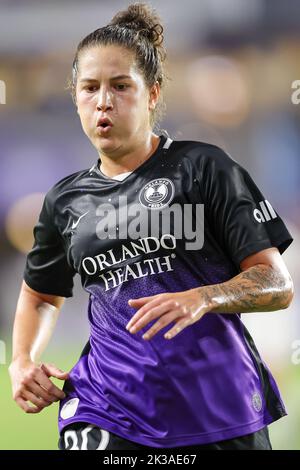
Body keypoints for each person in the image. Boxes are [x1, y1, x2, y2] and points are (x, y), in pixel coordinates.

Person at [9, 2, 294, 451]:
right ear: (76, 98)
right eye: (89, 88)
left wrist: (204, 297)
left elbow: (276, 283)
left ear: (153, 93)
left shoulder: (205, 168)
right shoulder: (65, 201)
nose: (103, 100)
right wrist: (21, 361)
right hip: (105, 408)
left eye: (121, 86)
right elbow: (41, 294)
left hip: (218, 411)